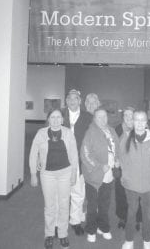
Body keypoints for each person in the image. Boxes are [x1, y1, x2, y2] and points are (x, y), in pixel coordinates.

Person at [29, 108, 78, 249]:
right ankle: (49, 234)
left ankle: (63, 234)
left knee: (64, 204)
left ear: (62, 120)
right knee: (49, 206)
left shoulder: (68, 133)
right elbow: (33, 153)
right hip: (47, 174)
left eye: (58, 117)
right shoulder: (41, 133)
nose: (55, 120)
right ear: (48, 119)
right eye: (52, 117)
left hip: (65, 173)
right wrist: (33, 174)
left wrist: (74, 173)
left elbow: (74, 154)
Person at [119, 110, 150, 249]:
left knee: (147, 214)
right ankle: (129, 239)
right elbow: (122, 160)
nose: (139, 123)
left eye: (142, 120)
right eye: (136, 120)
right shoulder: (125, 139)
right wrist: (126, 177)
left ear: (146, 122)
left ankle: (147, 239)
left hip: (149, 186)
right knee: (131, 212)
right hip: (131, 185)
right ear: (132, 121)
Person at [81, 107, 119, 243]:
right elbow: (85, 154)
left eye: (104, 117)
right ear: (94, 119)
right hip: (94, 177)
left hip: (108, 176)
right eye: (99, 117)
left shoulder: (112, 130)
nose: (103, 119)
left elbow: (117, 148)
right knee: (92, 205)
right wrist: (99, 166)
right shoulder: (90, 133)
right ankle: (91, 229)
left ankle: (103, 227)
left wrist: (117, 159)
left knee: (104, 204)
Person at [62, 89, 92, 235]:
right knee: (60, 195)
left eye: (75, 99)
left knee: (78, 193)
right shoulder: (59, 115)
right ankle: (58, 224)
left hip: (79, 162)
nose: (72, 101)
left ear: (80, 101)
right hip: (61, 162)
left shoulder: (88, 117)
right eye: (69, 98)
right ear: (66, 100)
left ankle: (75, 221)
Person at [115, 107, 142, 230]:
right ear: (123, 117)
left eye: (131, 115)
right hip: (122, 169)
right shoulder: (118, 129)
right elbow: (113, 146)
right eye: (126, 115)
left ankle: (136, 219)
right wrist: (115, 159)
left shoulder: (141, 129)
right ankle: (122, 217)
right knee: (121, 194)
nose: (128, 118)